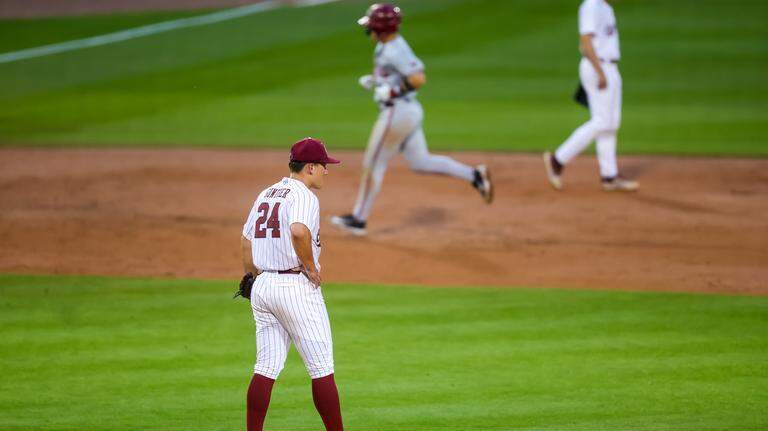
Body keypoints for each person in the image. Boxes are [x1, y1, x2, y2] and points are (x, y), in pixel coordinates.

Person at [330, 3, 493, 236]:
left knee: (373, 164)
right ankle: (474, 175)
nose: (369, 30)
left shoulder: (394, 50)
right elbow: (396, 75)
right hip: (408, 112)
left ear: (380, 28)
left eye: (372, 26)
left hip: (397, 113)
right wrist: (377, 81)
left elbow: (418, 78)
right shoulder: (386, 45)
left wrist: (393, 91)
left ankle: (358, 220)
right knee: (420, 162)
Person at [239, 137, 343, 431]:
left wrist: (251, 277)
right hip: (294, 287)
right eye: (323, 165)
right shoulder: (304, 196)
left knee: (265, 367)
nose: (326, 171)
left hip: (263, 287)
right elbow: (298, 231)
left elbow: (246, 240)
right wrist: (310, 268)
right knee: (322, 369)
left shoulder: (267, 193)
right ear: (310, 167)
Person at [543, 0, 638, 191]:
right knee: (602, 121)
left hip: (610, 67)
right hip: (598, 66)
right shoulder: (591, 6)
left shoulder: (605, 7)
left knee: (611, 123)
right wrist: (600, 72)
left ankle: (609, 176)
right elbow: (585, 42)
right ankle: (557, 160)